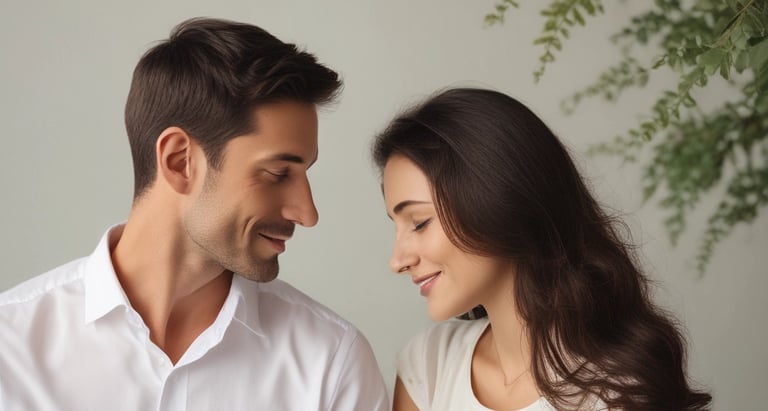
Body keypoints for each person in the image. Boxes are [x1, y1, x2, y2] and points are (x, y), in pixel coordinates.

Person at [0, 18, 389, 410]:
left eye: (305, 173)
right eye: (276, 174)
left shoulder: (332, 364)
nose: (307, 213)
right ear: (180, 161)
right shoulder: (10, 349)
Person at [372, 88, 712, 411]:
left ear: (496, 201)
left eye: (419, 222)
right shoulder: (429, 365)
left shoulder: (617, 391)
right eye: (395, 226)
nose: (397, 260)